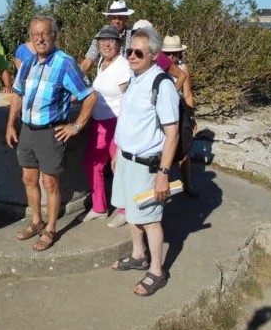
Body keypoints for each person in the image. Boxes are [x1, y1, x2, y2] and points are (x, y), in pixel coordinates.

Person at [6, 15, 97, 251]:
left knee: (50, 183)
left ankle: (51, 228)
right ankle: (36, 222)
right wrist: (9, 125)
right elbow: (17, 94)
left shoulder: (65, 64)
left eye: (45, 33)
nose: (40, 38)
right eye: (35, 34)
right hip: (27, 130)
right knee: (28, 179)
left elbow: (90, 96)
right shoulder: (28, 63)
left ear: (54, 36)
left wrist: (76, 126)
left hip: (50, 133)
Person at [110, 27, 179, 297]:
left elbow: (171, 133)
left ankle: (157, 271)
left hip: (147, 164)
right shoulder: (136, 79)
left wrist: (163, 173)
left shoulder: (161, 85)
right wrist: (119, 151)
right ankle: (138, 255)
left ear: (153, 55)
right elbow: (128, 120)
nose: (132, 56)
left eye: (139, 52)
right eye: (129, 51)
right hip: (127, 160)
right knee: (132, 213)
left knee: (150, 219)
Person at [79, 25, 132, 226]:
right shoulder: (102, 62)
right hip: (98, 122)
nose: (107, 44)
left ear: (118, 44)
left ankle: (125, 210)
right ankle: (99, 207)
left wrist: (122, 132)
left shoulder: (123, 66)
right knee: (92, 164)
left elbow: (128, 98)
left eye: (111, 41)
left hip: (116, 123)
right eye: (103, 41)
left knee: (118, 166)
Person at [162, 35, 198, 198]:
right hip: (161, 109)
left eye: (174, 53)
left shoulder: (183, 67)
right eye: (168, 54)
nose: (171, 57)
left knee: (184, 148)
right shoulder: (158, 66)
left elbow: (188, 94)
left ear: (179, 53)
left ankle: (187, 183)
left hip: (178, 108)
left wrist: (191, 117)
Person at [80, 0, 134, 74]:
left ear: (126, 18)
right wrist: (75, 78)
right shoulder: (101, 35)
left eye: (120, 18)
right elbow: (89, 60)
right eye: (114, 18)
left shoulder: (133, 34)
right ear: (110, 18)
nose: (117, 21)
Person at [132, 20, 187, 91]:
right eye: (135, 33)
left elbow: (181, 76)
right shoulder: (130, 54)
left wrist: (169, 96)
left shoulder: (159, 57)